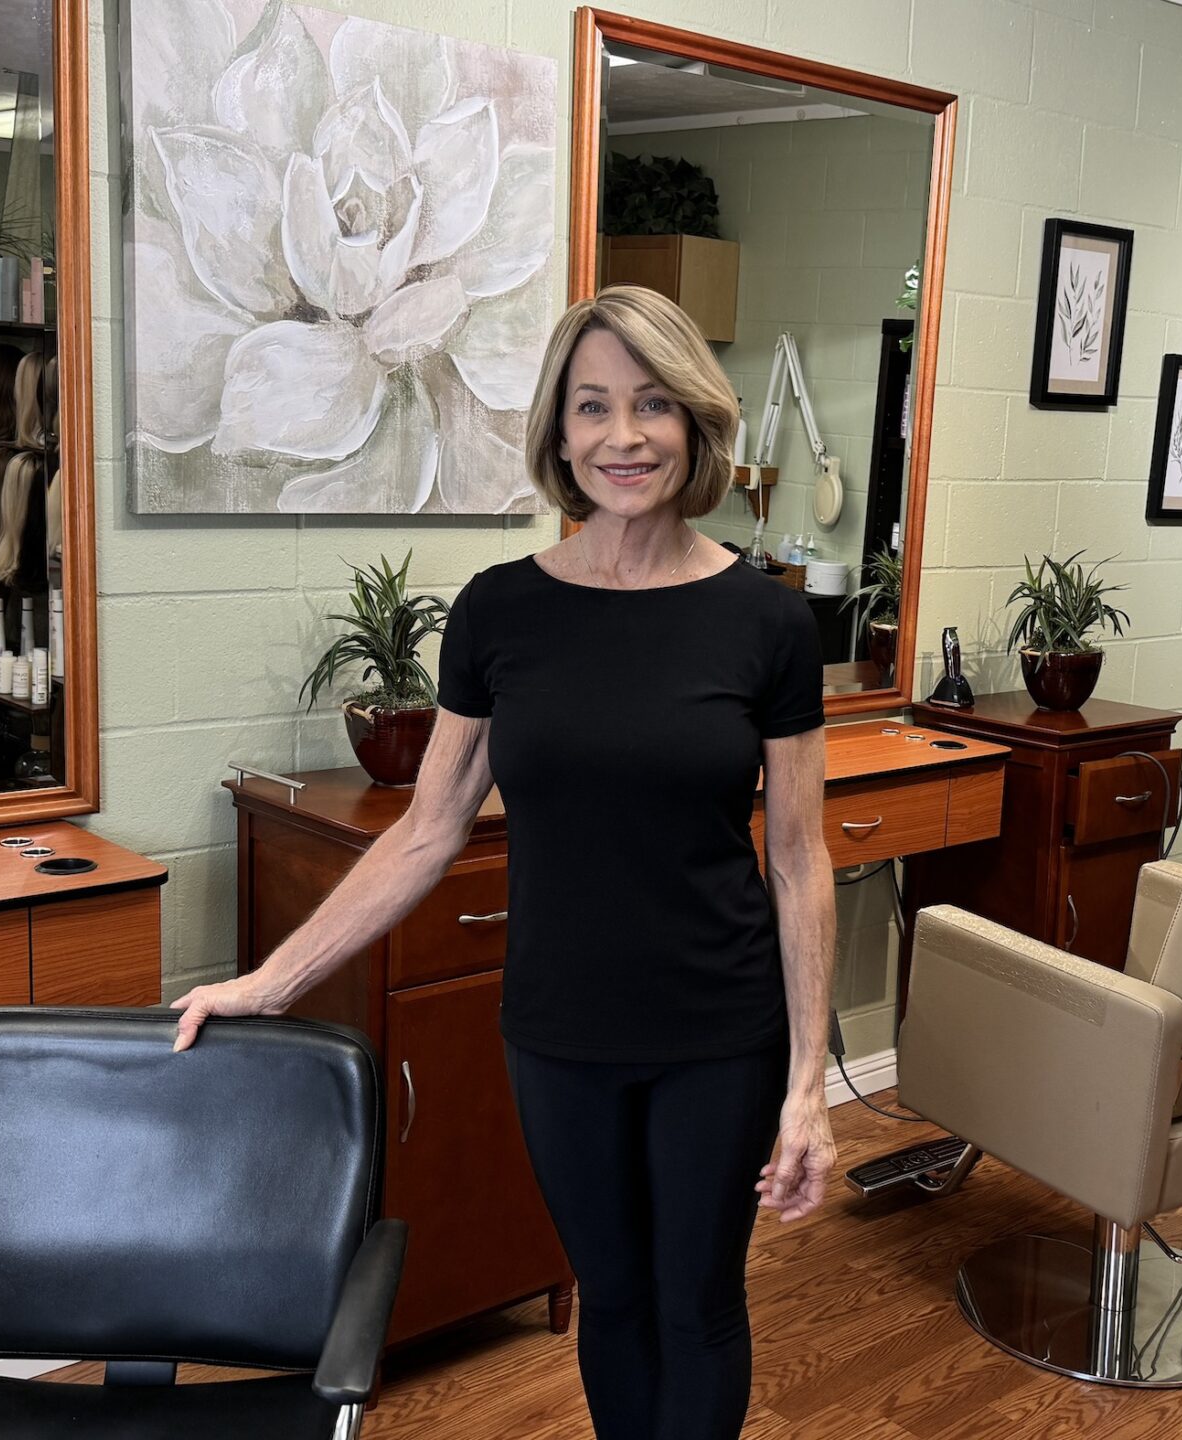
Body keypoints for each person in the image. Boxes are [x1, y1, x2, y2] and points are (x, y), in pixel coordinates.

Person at [170, 285, 836, 1440]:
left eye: (651, 406)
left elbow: (797, 860)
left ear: (694, 425)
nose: (622, 437)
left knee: (697, 1303)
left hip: (717, 1029)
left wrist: (809, 1084)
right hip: (557, 1032)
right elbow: (426, 831)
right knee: (614, 1299)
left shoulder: (763, 622)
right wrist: (267, 981)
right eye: (592, 408)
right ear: (557, 432)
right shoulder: (498, 611)